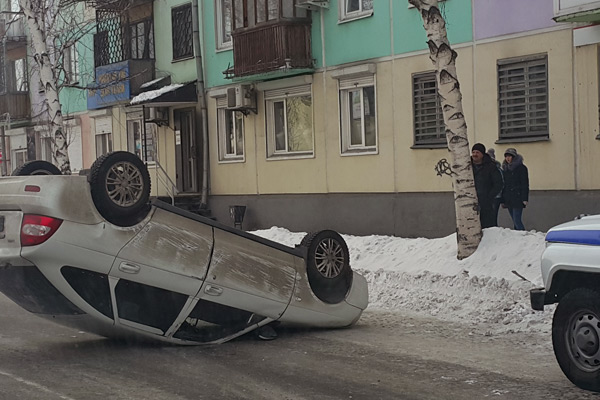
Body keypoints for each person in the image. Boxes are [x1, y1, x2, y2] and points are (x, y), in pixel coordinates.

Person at [471, 143, 503, 229]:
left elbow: (498, 183)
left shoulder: (490, 167)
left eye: (477, 152)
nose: (475, 154)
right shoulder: (467, 167)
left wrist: (489, 196)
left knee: (487, 225)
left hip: (486, 202)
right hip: (470, 201)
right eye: (473, 152)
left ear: (482, 154)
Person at [500, 148, 529, 231]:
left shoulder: (521, 168)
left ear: (514, 157)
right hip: (508, 198)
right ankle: (517, 235)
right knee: (514, 220)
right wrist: (503, 199)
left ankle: (522, 234)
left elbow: (524, 183)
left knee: (517, 220)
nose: (508, 158)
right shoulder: (505, 169)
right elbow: (504, 184)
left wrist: (524, 198)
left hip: (518, 197)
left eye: (510, 156)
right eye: (506, 156)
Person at [487, 148, 504, 227]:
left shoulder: (497, 170)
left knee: (493, 216)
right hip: (487, 196)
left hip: (495, 196)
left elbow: (501, 183)